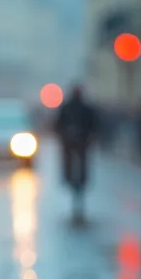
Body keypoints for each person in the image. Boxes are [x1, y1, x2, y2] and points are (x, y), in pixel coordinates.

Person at [54, 84, 100, 220]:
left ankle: (73, 180)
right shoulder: (81, 108)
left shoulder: (68, 107)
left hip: (77, 143)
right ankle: (76, 180)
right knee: (77, 164)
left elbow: (57, 124)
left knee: (74, 164)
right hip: (77, 143)